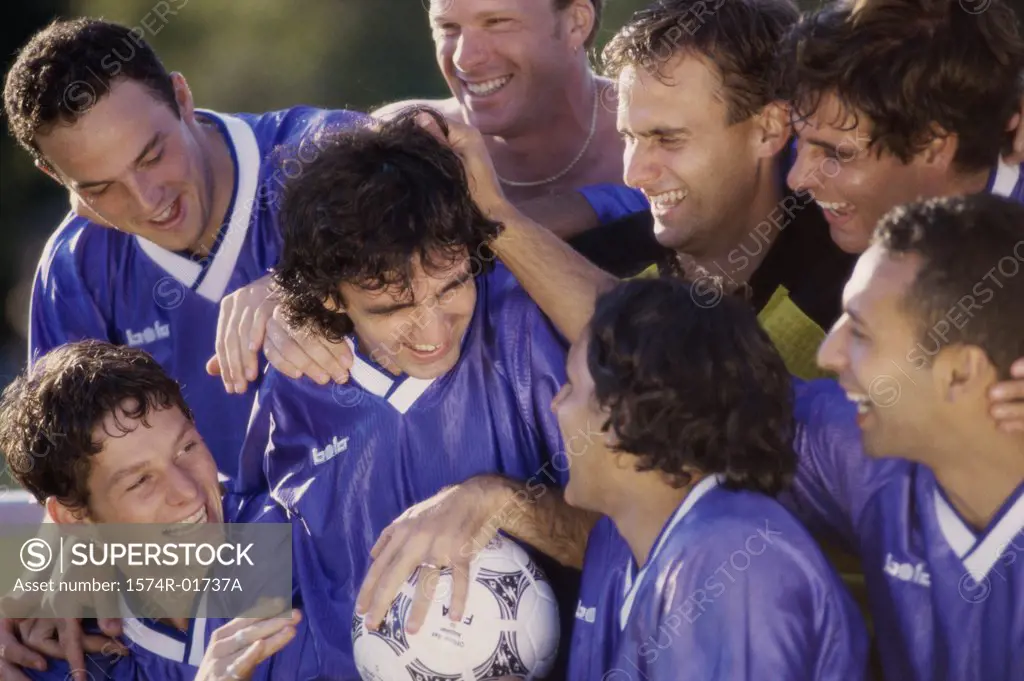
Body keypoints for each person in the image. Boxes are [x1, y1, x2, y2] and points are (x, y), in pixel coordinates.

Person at [237, 110, 597, 678]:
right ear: (331, 300)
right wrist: (56, 582)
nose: (432, 334)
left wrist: (501, 499)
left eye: (452, 287)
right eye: (394, 310)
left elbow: (635, 543)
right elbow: (253, 560)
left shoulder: (530, 336)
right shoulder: (291, 381)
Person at [2, 18, 364, 479]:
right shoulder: (75, 273)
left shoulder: (327, 153)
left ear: (182, 98)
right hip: (225, 552)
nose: (147, 199)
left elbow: (457, 247)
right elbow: (80, 496)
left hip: (407, 536)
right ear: (57, 178)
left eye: (152, 156)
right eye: (101, 188)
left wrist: (310, 285)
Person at [553, 277, 868, 680]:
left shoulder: (732, 561)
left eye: (572, 387)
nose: (555, 404)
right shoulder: (644, 544)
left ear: (623, 418)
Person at [785, 193, 1024, 681]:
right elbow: (696, 381)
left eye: (862, 333)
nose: (827, 355)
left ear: (960, 372)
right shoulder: (869, 463)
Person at [0, 340, 308, 681]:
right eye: (141, 480)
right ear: (73, 519)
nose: (188, 492)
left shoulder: (304, 546)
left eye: (187, 448)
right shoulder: (53, 656)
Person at [374, 0, 666, 276]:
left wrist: (597, 206)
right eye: (448, 28)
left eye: (497, 22)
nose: (465, 58)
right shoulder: (403, 142)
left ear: (576, 23)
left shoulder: (672, 137)